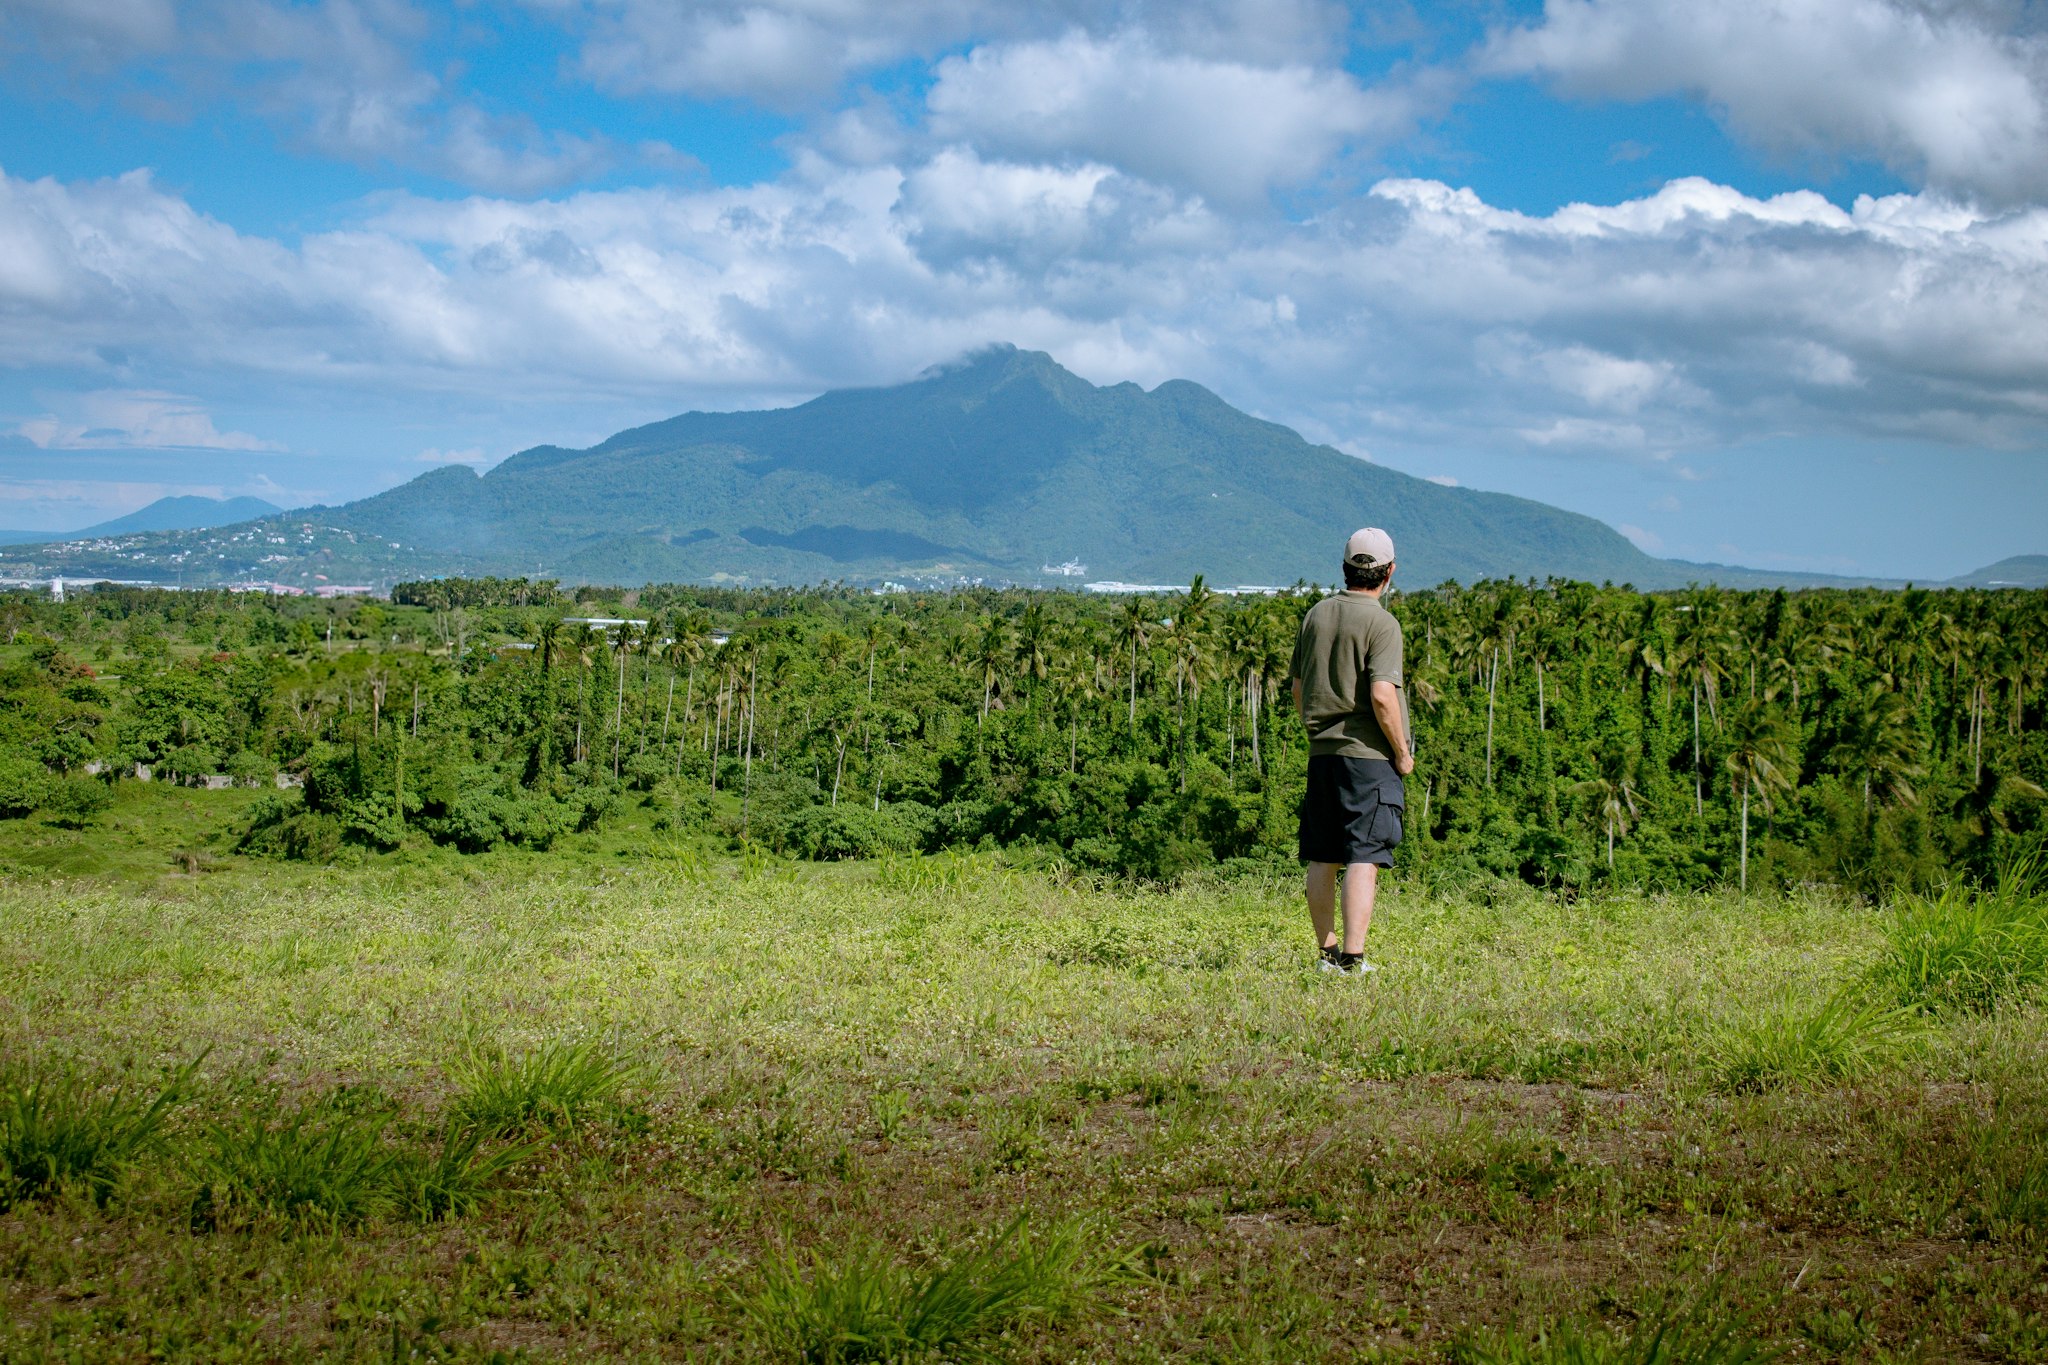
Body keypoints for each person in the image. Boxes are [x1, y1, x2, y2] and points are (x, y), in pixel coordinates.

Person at [1289, 527, 1414, 975]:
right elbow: (1382, 696)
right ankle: (1353, 959)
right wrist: (1401, 752)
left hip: (1323, 753)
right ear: (1389, 572)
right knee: (1365, 855)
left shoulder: (1316, 615)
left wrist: (1316, 730)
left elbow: (1298, 688)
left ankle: (1327, 955)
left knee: (1323, 854)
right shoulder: (1382, 623)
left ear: (1345, 568)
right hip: (1368, 757)